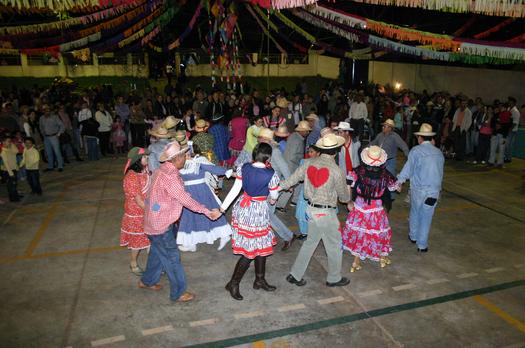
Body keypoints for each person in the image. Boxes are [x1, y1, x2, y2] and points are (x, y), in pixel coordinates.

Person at [139, 141, 221, 302]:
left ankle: (147, 281)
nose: (186, 157)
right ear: (176, 158)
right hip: (161, 225)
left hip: (152, 221)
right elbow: (185, 200)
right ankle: (178, 292)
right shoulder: (171, 177)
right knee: (172, 258)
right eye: (184, 155)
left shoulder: (160, 170)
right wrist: (207, 211)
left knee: (157, 253)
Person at [279, 133, 351, 287]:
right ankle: (334, 278)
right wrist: (349, 200)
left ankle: (295, 275)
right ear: (336, 151)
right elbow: (344, 197)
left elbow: (292, 179)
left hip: (310, 210)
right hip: (326, 213)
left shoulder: (308, 163)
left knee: (310, 243)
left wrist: (277, 187)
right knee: (334, 245)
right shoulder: (336, 170)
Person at [220, 143, 280, 300]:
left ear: (254, 155)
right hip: (258, 212)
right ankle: (233, 283)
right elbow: (274, 197)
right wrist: (273, 200)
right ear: (268, 157)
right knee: (250, 251)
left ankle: (259, 279)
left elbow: (235, 189)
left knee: (260, 245)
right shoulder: (271, 174)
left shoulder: (244, 167)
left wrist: (222, 208)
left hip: (243, 208)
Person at [342, 146, 398, 272]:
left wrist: (348, 201)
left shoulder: (356, 171)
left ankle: (355, 262)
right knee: (378, 233)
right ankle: (382, 258)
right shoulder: (386, 175)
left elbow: (347, 184)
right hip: (376, 211)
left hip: (359, 208)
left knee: (360, 233)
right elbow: (395, 187)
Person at [397, 123, 444, 252]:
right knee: (427, 217)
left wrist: (399, 181)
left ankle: (413, 236)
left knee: (415, 212)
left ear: (420, 138)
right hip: (433, 191)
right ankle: (422, 245)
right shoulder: (439, 152)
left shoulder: (416, 151)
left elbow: (408, 169)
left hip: (419, 190)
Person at [177, 145, 233, 252]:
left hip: (202, 193)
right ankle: (190, 243)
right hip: (188, 195)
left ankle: (225, 235)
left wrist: (228, 172)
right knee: (189, 217)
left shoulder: (198, 161)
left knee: (212, 212)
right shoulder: (179, 165)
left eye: (188, 152)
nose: (187, 155)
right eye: (184, 153)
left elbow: (212, 168)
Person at [120, 147, 151, 276]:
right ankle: (133, 263)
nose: (147, 159)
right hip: (137, 213)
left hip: (146, 209)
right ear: (138, 160)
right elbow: (138, 200)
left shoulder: (144, 170)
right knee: (137, 241)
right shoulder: (131, 177)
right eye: (145, 157)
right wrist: (152, 213)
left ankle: (154, 265)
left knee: (150, 240)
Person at [39, 105, 65, 172]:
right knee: (48, 153)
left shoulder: (55, 117)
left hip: (54, 136)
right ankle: (50, 166)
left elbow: (62, 125)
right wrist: (43, 134)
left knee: (57, 152)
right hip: (46, 137)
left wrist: (59, 133)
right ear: (43, 111)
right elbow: (41, 127)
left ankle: (60, 166)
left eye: (48, 110)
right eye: (45, 110)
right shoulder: (41, 118)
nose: (47, 111)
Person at [0, 135, 21, 202]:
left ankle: (14, 196)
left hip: (13, 169)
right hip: (8, 171)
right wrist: (11, 173)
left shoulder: (10, 149)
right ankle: (14, 198)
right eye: (8, 141)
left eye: (10, 141)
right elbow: (6, 163)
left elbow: (17, 151)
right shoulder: (3, 152)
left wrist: (11, 144)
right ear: (3, 142)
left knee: (14, 184)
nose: (10, 143)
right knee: (11, 185)